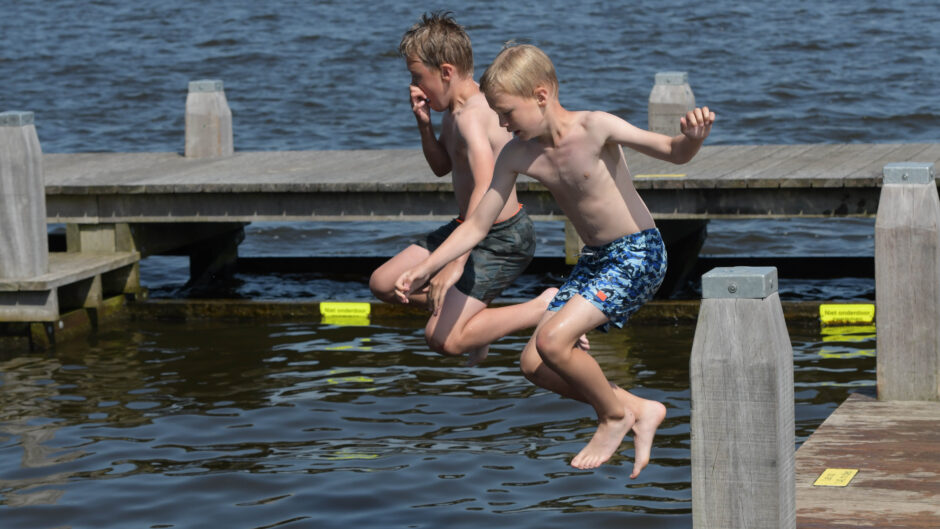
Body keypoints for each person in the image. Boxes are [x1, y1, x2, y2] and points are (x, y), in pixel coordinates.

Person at [394, 44, 715, 478]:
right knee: (534, 365)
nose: (502, 124)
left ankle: (613, 417)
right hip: (595, 260)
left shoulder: (595, 127)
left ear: (541, 96)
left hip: (639, 252)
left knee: (551, 342)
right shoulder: (517, 153)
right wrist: (427, 265)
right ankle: (637, 407)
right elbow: (476, 225)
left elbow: (672, 150)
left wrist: (691, 138)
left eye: (507, 113)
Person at [370, 14, 557, 367]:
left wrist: (453, 265)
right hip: (465, 225)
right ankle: (476, 323)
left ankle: (542, 305)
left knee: (440, 340)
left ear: (445, 72)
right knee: (384, 283)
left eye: (417, 77)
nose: (414, 87)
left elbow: (485, 187)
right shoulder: (451, 112)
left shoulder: (475, 114)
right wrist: (424, 126)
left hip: (501, 237)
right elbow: (442, 166)